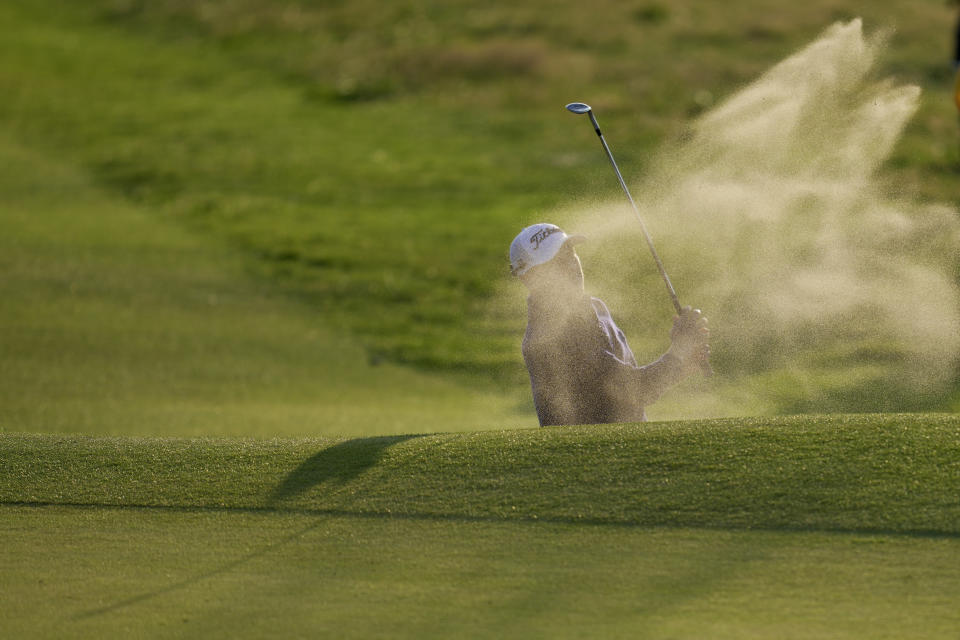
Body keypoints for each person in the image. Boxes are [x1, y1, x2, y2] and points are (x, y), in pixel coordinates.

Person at [510, 223, 710, 426]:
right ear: (529, 277)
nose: (571, 265)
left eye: (570, 253)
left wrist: (682, 365)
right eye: (557, 261)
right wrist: (678, 351)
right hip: (588, 454)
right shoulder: (550, 336)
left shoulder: (594, 308)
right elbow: (636, 390)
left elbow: (626, 396)